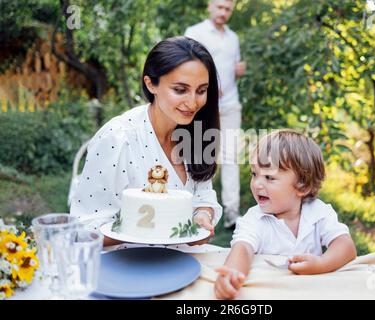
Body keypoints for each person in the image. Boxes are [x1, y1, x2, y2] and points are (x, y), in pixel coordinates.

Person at [69, 36, 222, 247]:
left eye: (201, 90)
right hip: (125, 265)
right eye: (180, 90)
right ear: (151, 84)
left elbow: (204, 197)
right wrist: (152, 229)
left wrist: (202, 216)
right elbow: (83, 228)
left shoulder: (197, 134)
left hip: (185, 261)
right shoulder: (117, 138)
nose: (193, 102)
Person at [214, 129, 357, 299]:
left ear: (302, 186)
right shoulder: (255, 219)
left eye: (269, 177)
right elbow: (242, 249)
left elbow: (346, 247)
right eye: (254, 174)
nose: (257, 184)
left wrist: (321, 263)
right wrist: (232, 273)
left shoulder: (318, 212)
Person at [185, 0, 245, 229]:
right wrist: (208, 85)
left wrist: (238, 70)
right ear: (210, 6)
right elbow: (186, 67)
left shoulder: (233, 37)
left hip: (230, 105)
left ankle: (232, 214)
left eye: (228, 9)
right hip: (201, 104)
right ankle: (194, 207)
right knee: (199, 153)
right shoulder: (195, 33)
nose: (223, 13)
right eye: (219, 7)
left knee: (231, 157)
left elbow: (233, 67)